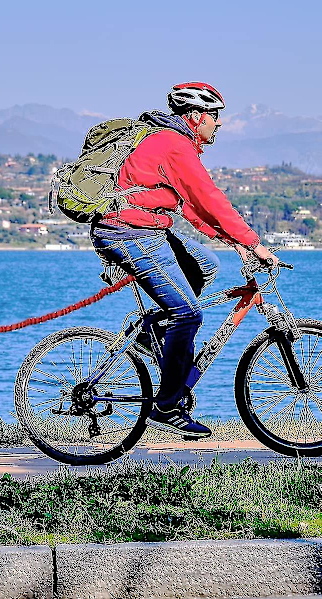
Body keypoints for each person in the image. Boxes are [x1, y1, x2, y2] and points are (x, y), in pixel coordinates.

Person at [91, 82, 278, 438]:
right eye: (215, 116)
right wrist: (254, 242)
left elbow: (190, 206)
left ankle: (158, 329)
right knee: (189, 314)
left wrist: (235, 242)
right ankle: (167, 404)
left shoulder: (172, 142)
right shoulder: (174, 145)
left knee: (207, 265)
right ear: (195, 116)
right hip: (128, 233)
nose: (219, 123)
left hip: (147, 229)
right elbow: (210, 198)